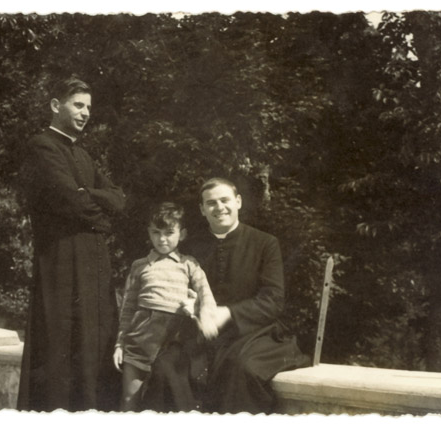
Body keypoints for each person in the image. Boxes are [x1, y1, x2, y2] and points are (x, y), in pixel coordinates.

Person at [142, 177, 310, 414]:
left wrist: (228, 313)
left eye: (225, 200)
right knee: (165, 367)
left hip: (252, 333)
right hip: (200, 332)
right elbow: (173, 285)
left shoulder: (265, 243)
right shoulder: (192, 247)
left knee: (240, 368)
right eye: (211, 203)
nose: (219, 207)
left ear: (238, 202)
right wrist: (190, 304)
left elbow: (272, 300)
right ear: (202, 209)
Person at [17, 76, 126, 412]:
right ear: (55, 105)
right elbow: (70, 201)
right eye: (78, 105)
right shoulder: (42, 147)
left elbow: (119, 199)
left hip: (94, 266)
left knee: (94, 343)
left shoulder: (83, 155)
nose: (85, 113)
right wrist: (98, 211)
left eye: (88, 107)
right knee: (60, 347)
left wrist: (88, 194)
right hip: (61, 265)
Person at [113, 202, 218, 411]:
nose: (162, 239)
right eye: (156, 232)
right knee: (129, 398)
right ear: (149, 233)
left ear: (182, 234)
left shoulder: (189, 264)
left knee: (170, 394)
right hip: (141, 336)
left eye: (169, 233)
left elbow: (205, 293)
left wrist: (207, 318)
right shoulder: (139, 265)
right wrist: (119, 344)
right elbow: (128, 307)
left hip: (175, 337)